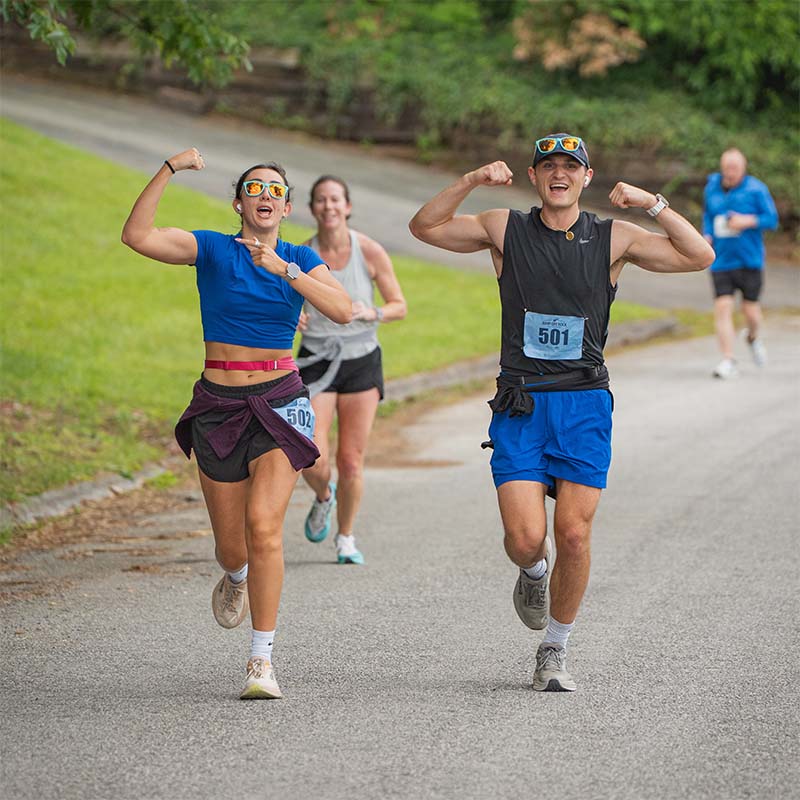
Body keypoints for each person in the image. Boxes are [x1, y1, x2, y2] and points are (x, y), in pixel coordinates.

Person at [409, 133, 714, 691]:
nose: (559, 174)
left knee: (573, 534)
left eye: (570, 167)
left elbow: (699, 257)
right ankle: (532, 571)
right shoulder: (505, 227)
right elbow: (425, 226)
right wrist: (474, 180)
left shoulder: (612, 236)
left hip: (583, 403)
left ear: (586, 178)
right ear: (533, 175)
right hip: (522, 401)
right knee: (527, 539)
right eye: (548, 166)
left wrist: (653, 204)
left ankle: (555, 648)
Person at [121, 149, 352, 700]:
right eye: (255, 188)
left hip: (279, 401)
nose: (266, 195)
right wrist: (170, 169)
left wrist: (288, 271)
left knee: (264, 528)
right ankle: (236, 576)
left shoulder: (298, 257)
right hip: (219, 403)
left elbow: (342, 310)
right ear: (239, 203)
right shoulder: (212, 249)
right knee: (233, 548)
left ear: (288, 206)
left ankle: (261, 661)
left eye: (276, 189)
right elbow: (137, 235)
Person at [296, 175, 407, 564]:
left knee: (351, 459)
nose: (328, 206)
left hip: (361, 359)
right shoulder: (299, 253)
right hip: (315, 360)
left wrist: (371, 311)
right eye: (321, 200)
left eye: (335, 200)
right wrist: (293, 318)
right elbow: (280, 299)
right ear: (312, 209)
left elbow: (399, 305)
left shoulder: (370, 251)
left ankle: (346, 538)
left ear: (347, 207)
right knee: (310, 451)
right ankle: (324, 496)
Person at [702, 148, 778, 379]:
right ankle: (728, 360)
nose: (730, 172)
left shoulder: (756, 189)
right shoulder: (712, 187)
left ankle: (753, 337)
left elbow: (772, 219)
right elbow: (708, 215)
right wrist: (706, 235)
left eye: (734, 168)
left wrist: (748, 220)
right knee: (723, 308)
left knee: (751, 312)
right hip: (721, 260)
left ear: (743, 168)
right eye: (727, 167)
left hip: (749, 260)